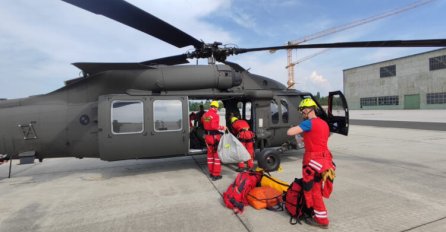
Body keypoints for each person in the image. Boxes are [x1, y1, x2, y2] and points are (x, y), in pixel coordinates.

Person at [287, 98, 335, 229]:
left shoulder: (309, 123)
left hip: (314, 161)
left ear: (308, 110)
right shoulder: (324, 123)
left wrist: (295, 128)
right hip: (326, 161)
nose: (302, 114)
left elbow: (289, 132)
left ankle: (322, 220)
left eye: (302, 111)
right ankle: (315, 212)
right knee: (318, 188)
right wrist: (305, 137)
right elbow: (321, 136)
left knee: (314, 191)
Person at [202, 100, 226, 181]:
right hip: (214, 137)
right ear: (216, 107)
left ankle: (211, 172)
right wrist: (223, 128)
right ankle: (216, 174)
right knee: (216, 156)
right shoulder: (215, 115)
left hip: (207, 137)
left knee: (210, 156)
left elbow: (204, 123)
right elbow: (214, 126)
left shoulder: (205, 115)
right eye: (217, 108)